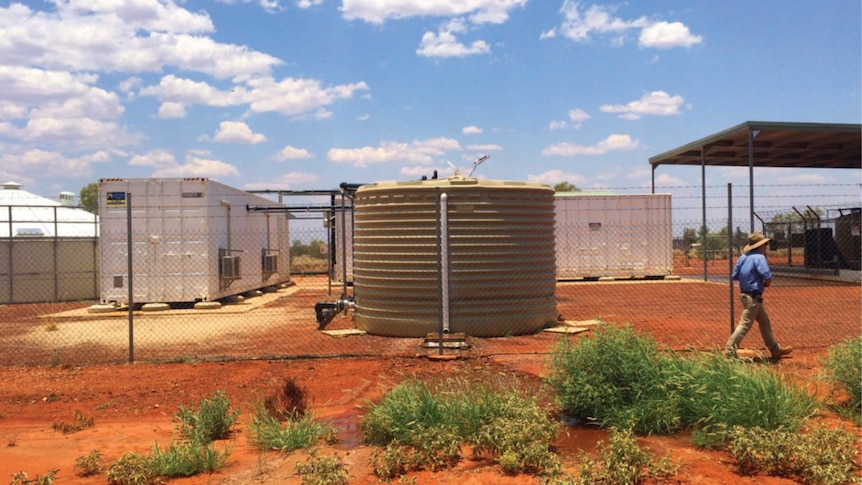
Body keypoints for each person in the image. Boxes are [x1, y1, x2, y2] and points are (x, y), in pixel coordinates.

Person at [725, 232, 792, 359]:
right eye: (764, 244)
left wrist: (748, 278)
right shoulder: (759, 258)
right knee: (745, 324)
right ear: (760, 245)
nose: (765, 246)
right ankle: (729, 350)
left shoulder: (743, 257)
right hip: (754, 296)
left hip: (746, 295)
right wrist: (765, 283)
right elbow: (767, 277)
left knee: (764, 322)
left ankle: (774, 349)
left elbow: (735, 275)